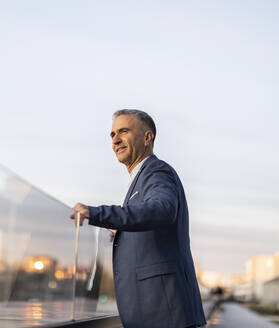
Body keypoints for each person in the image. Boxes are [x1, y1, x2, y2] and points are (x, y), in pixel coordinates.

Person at [70, 109, 206, 328]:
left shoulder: (157, 171)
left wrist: (96, 214)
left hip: (164, 314)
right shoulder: (142, 178)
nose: (115, 140)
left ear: (147, 137)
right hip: (155, 314)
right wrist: (121, 232)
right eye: (112, 134)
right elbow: (148, 219)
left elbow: (162, 210)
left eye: (123, 131)